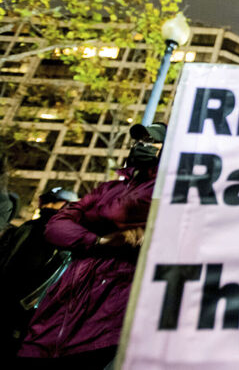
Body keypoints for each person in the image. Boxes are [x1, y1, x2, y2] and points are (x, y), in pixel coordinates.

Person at [15, 122, 166, 369]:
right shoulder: (109, 189)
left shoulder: (171, 193)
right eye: (140, 140)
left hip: (106, 323)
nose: (142, 146)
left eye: (152, 141)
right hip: (54, 319)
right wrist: (98, 240)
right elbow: (56, 226)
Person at [0, 187, 78, 362]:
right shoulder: (31, 227)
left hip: (25, 311)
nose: (45, 204)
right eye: (46, 200)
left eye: (52, 201)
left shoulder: (61, 234)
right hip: (17, 307)